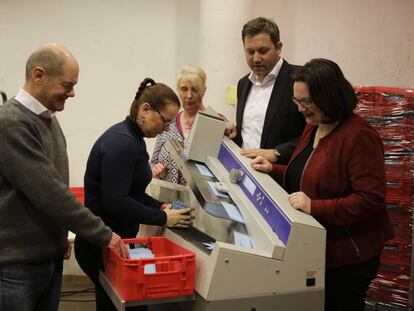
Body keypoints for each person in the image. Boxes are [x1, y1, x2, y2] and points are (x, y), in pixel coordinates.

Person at [251, 58, 394, 311]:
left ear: (329, 97)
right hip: (317, 249)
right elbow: (306, 174)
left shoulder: (359, 136)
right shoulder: (315, 125)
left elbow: (370, 200)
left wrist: (314, 207)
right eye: (297, 101)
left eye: (306, 102)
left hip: (348, 257)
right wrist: (274, 169)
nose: (300, 109)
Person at [0, 43, 127, 311]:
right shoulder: (11, 123)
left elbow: (54, 184)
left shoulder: (47, 118)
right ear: (38, 75)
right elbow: (49, 193)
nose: (72, 93)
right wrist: (104, 235)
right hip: (17, 268)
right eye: (67, 85)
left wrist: (58, 239)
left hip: (47, 257)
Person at [74, 78, 194, 311]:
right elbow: (116, 201)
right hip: (100, 245)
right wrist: (162, 219)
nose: (167, 127)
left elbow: (133, 192)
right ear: (145, 109)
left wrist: (160, 207)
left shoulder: (135, 139)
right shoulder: (122, 143)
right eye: (165, 120)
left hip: (115, 241)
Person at [234, 17, 305, 164]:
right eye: (250, 52)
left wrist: (277, 153)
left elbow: (314, 133)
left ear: (278, 47)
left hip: (281, 175)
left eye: (262, 51)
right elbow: (251, 131)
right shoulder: (243, 84)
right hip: (245, 170)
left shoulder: (299, 80)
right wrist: (234, 131)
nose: (256, 58)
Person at [150, 65, 236, 185]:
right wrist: (154, 171)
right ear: (178, 91)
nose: (189, 96)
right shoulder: (169, 122)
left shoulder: (218, 123)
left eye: (195, 89)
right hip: (168, 200)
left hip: (200, 201)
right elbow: (153, 162)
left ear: (204, 91)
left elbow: (228, 169)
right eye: (184, 89)